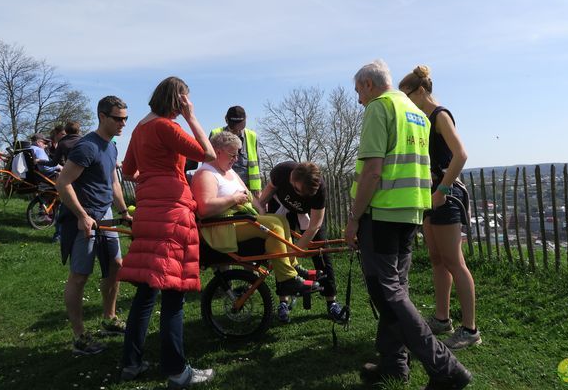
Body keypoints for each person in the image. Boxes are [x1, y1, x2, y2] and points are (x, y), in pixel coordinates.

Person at [345, 59, 471, 389]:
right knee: (396, 289)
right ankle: (395, 365)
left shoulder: (379, 107)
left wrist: (354, 218)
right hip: (411, 212)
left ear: (369, 85)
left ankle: (445, 368)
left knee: (388, 293)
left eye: (358, 91)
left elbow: (373, 170)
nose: (358, 99)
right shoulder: (416, 112)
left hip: (382, 213)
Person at [118, 77, 217, 387]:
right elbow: (208, 153)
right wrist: (191, 117)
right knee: (174, 294)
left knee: (147, 292)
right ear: (179, 100)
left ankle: (131, 363)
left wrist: (153, 176)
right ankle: (177, 371)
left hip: (147, 209)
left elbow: (127, 171)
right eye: (186, 99)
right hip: (172, 213)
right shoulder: (166, 126)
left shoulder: (140, 128)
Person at [191, 131, 318, 314]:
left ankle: (292, 266)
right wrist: (233, 199)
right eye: (232, 154)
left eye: (238, 154)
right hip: (220, 229)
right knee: (273, 226)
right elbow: (204, 209)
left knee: (279, 219)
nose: (236, 159)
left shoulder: (228, 171)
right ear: (217, 151)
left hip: (238, 221)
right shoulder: (206, 174)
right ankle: (288, 279)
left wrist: (261, 211)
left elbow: (249, 196)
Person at [399, 65, 480, 350]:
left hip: (446, 196)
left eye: (406, 95)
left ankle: (470, 330)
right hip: (428, 196)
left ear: (420, 91)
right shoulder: (421, 119)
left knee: (454, 261)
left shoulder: (440, 115)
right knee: (436, 259)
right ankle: (442, 318)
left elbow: (461, 154)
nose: (405, 101)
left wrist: (443, 190)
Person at [55, 96, 132, 356]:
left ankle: (109, 318)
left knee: (116, 266)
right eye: (118, 118)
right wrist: (81, 215)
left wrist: (123, 210)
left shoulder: (111, 147)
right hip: (84, 219)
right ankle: (79, 336)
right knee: (80, 276)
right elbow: (63, 182)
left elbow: (114, 183)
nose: (123, 123)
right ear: (102, 116)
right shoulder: (86, 147)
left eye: (125, 118)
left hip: (106, 215)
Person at [260, 161, 347, 323]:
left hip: (307, 216)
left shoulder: (319, 188)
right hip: (280, 209)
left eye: (305, 194)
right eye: (297, 189)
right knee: (281, 255)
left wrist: (297, 250)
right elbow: (262, 199)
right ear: (291, 178)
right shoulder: (281, 171)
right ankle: (283, 302)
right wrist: (262, 214)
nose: (300, 195)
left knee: (321, 253)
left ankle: (331, 301)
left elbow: (315, 225)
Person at [210, 106, 261, 197]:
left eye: (240, 126)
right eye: (233, 127)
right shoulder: (215, 134)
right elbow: (208, 162)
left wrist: (257, 189)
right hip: (223, 187)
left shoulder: (252, 136)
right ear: (226, 120)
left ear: (246, 120)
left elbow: (257, 164)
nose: (237, 130)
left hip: (248, 188)